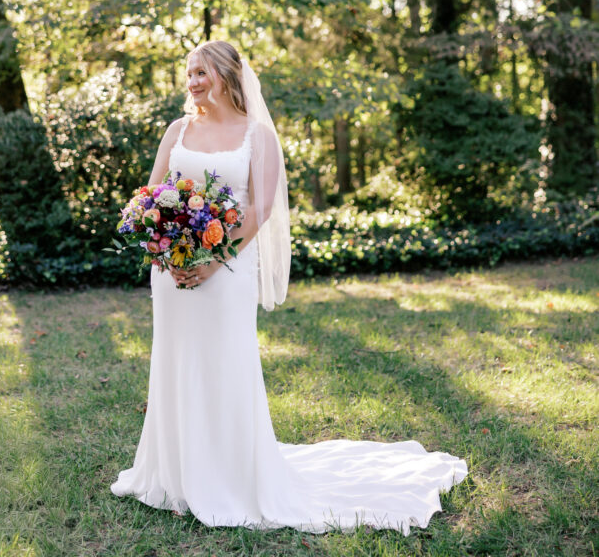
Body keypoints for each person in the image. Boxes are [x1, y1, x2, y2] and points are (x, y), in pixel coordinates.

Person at [110, 40, 467, 533]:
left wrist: (212, 262)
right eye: (189, 72)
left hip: (226, 270)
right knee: (176, 363)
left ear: (227, 75)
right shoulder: (177, 130)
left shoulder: (257, 136)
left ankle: (227, 477)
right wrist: (166, 249)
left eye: (202, 72)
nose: (193, 81)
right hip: (172, 274)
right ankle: (175, 476)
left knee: (224, 364)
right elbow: (150, 196)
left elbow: (258, 209)